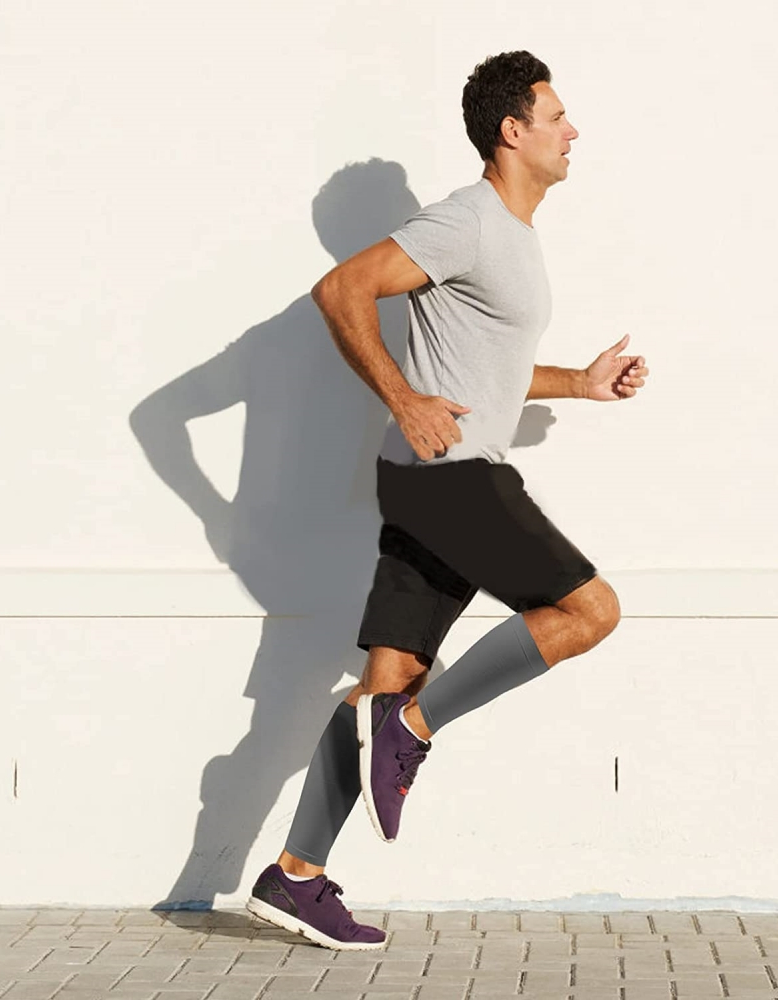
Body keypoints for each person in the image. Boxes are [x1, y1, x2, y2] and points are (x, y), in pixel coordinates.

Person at [246, 50, 649, 951]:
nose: (571, 131)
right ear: (514, 131)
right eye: (556, 117)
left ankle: (295, 875)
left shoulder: (511, 234)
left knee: (384, 680)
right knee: (588, 610)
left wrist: (580, 384)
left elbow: (488, 375)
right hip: (454, 480)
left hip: (428, 481)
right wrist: (403, 398)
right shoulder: (466, 221)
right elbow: (340, 289)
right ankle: (416, 728)